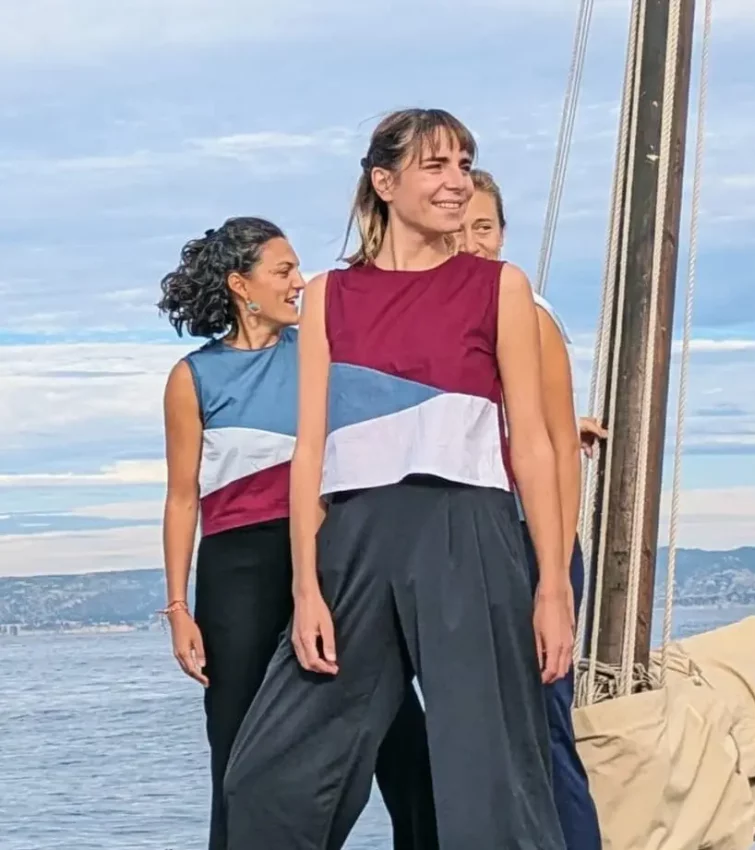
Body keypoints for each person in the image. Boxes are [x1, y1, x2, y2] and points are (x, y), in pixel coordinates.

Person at [223, 109, 572, 849]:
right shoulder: (329, 295)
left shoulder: (500, 287)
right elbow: (309, 450)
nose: (457, 183)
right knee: (266, 779)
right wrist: (307, 587)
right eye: (435, 166)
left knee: (491, 788)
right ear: (384, 182)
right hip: (355, 543)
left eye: (464, 165)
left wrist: (552, 586)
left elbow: (535, 447)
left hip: (469, 536)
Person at [157, 216, 436, 850]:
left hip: (329, 556)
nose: (300, 282)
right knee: (234, 749)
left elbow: (406, 402)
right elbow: (182, 498)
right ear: (241, 285)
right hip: (237, 573)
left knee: (396, 730)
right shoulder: (193, 377)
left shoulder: (318, 350)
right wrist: (177, 607)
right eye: (283, 271)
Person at [458, 168, 604, 850]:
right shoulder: (445, 316)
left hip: (527, 541)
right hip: (468, 539)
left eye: (484, 227)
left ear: (503, 234)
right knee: (485, 735)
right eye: (460, 228)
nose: (471, 242)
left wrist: (556, 570)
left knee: (543, 729)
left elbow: (557, 446)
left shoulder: (528, 312)